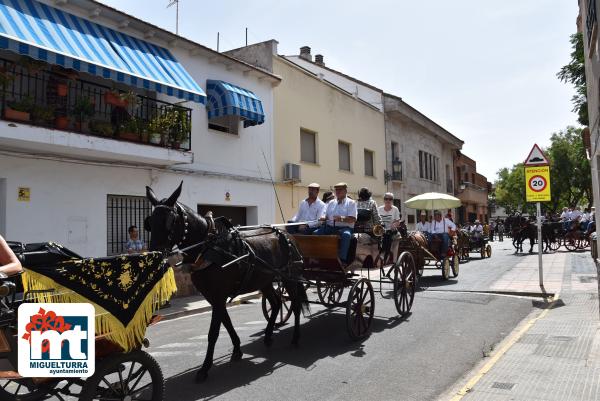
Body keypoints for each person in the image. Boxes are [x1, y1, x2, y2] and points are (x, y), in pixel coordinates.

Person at [314, 182, 357, 263]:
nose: (337, 192)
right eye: (336, 190)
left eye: (340, 190)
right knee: (316, 233)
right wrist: (323, 218)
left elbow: (353, 219)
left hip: (345, 228)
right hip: (330, 227)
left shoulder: (351, 203)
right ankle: (318, 257)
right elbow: (326, 216)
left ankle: (342, 260)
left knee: (346, 235)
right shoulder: (331, 203)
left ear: (345, 191)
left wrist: (341, 218)